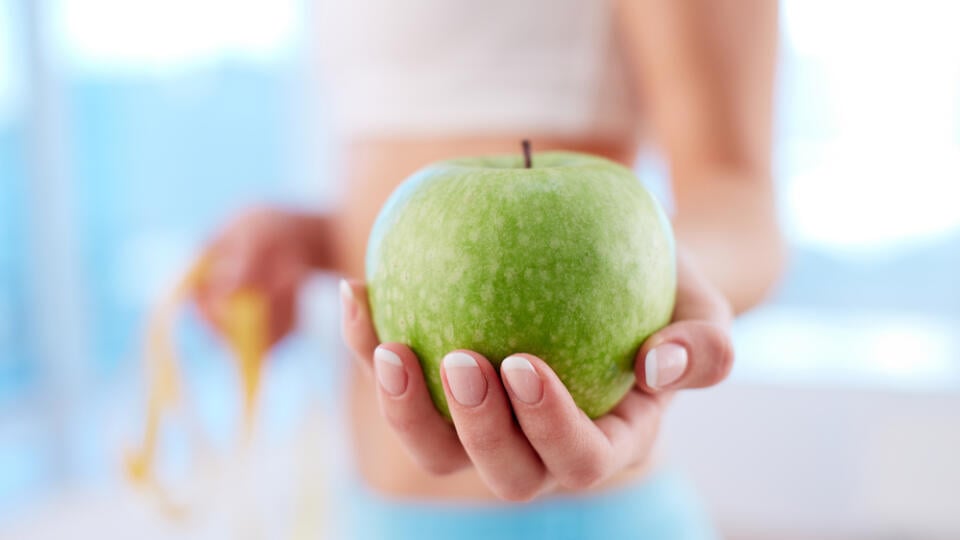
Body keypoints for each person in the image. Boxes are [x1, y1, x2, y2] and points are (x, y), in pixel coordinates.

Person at [195, 0, 784, 537]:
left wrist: (661, 277)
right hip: (369, 513)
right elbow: (431, 219)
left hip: (577, 521)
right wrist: (313, 240)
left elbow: (737, 201)